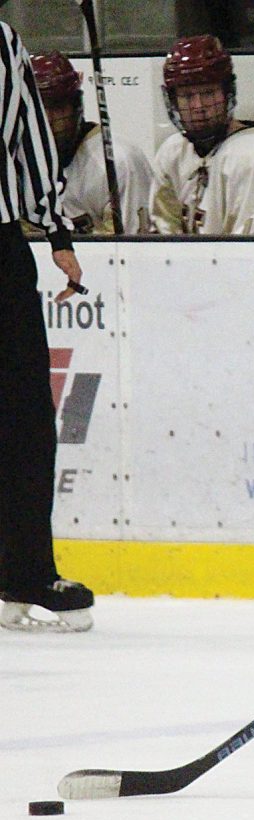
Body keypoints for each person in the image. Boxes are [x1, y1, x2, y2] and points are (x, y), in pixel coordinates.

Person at [0, 21, 94, 632]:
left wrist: (56, 230)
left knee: (25, 418)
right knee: (22, 417)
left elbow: (25, 132)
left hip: (2, 247)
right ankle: (23, 570)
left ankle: (24, 570)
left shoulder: (2, 41)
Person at [150, 34, 254, 235]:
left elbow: (253, 249)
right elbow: (161, 239)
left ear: (227, 93)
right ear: (173, 101)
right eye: (187, 96)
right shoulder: (173, 152)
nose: (198, 106)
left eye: (208, 93)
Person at [31, 51, 153, 235]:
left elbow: (129, 248)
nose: (48, 119)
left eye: (57, 107)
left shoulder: (119, 162)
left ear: (75, 106)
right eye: (38, 109)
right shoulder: (17, 167)